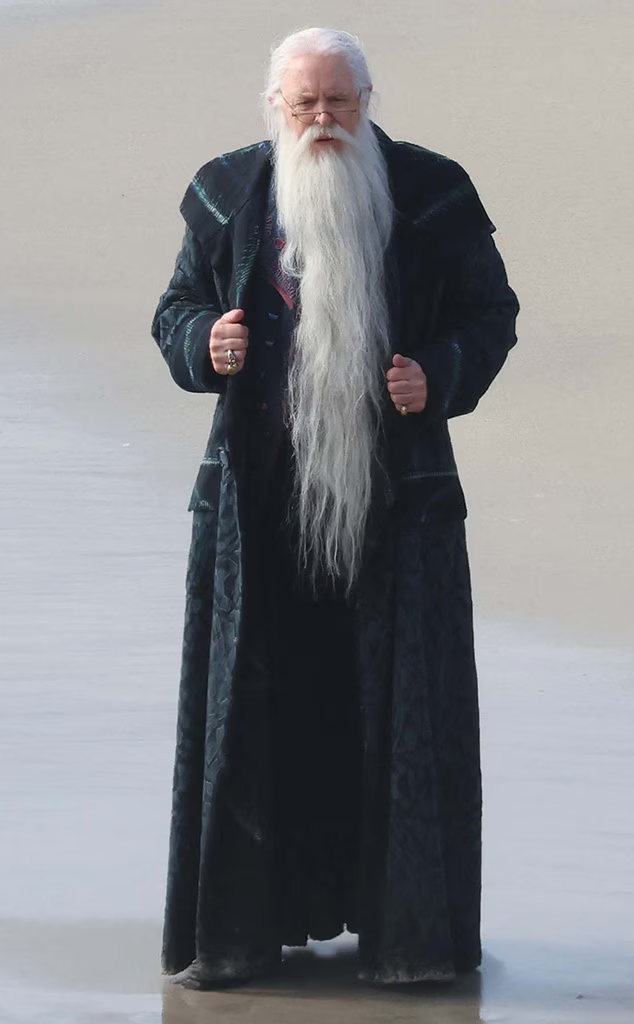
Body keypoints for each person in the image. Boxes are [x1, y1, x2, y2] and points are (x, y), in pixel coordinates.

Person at [151, 26, 519, 989]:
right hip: (257, 512)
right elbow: (174, 309)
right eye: (304, 103)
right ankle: (238, 937)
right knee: (259, 719)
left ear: (367, 102)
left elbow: (491, 315)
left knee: (395, 723)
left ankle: (409, 945)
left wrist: (439, 373)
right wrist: (205, 341)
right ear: (276, 106)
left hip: (397, 515)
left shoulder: (432, 191)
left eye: (338, 102)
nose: (322, 120)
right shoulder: (228, 192)